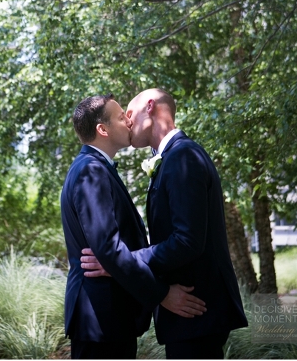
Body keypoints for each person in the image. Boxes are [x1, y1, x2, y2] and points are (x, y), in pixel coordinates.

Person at [84, 88, 248, 359]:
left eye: (130, 114)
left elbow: (187, 241)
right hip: (190, 311)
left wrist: (121, 263)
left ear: (151, 107)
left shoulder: (183, 157)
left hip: (196, 308)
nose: (127, 122)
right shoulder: (175, 157)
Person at [61, 94, 206, 359]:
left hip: (108, 318)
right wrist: (161, 294)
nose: (129, 121)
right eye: (120, 117)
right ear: (102, 130)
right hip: (100, 318)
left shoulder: (96, 168)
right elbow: (109, 249)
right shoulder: (90, 171)